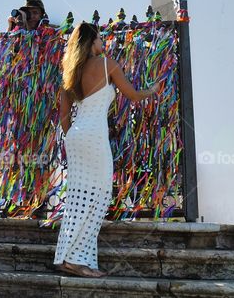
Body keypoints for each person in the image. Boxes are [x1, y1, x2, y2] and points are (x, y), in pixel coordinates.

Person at [52, 22, 163, 278]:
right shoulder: (106, 64)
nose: (102, 44)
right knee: (99, 198)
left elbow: (64, 116)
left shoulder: (70, 72)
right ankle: (77, 261)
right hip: (94, 136)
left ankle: (67, 257)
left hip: (76, 136)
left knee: (77, 199)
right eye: (100, 39)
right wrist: (153, 89)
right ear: (91, 42)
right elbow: (133, 96)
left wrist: (73, 137)